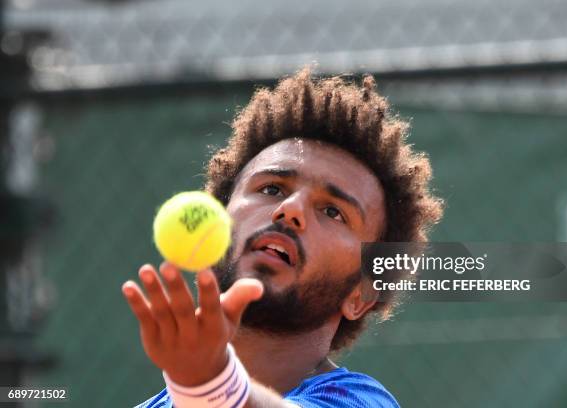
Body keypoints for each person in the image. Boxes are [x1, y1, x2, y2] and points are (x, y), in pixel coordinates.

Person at [122, 68, 443, 407]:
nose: (290, 209)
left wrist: (210, 384)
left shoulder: (360, 401)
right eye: (272, 188)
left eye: (333, 212)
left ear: (359, 296)